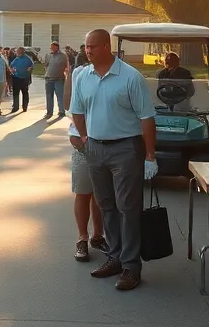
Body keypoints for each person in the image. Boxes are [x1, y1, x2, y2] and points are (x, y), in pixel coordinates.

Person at [68, 29, 158, 291]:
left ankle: (131, 266)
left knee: (127, 207)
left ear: (107, 46)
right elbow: (77, 110)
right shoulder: (83, 76)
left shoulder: (130, 77)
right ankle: (115, 257)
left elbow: (146, 118)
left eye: (93, 47)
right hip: (95, 148)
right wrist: (85, 137)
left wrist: (149, 155)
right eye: (86, 47)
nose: (88, 51)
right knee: (106, 204)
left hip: (126, 149)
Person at [64, 59, 107, 261]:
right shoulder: (80, 74)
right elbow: (69, 105)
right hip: (83, 146)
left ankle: (98, 236)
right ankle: (82, 238)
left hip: (106, 146)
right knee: (83, 193)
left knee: (101, 196)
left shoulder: (115, 78)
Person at [43, 42, 69, 120]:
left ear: (57, 47)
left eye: (53, 47)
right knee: (49, 96)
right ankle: (49, 112)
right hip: (49, 79)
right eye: (51, 47)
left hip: (59, 79)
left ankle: (61, 111)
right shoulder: (48, 55)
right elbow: (46, 65)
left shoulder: (63, 56)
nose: (51, 49)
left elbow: (67, 65)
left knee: (60, 95)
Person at [10, 46, 34, 114]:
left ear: (22, 52)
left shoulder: (27, 58)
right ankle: (15, 107)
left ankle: (25, 107)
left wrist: (30, 68)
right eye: (16, 52)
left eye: (17, 52)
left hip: (25, 78)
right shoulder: (17, 58)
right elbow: (11, 65)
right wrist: (12, 69)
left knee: (25, 92)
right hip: (16, 77)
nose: (16, 53)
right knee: (15, 93)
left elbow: (32, 65)